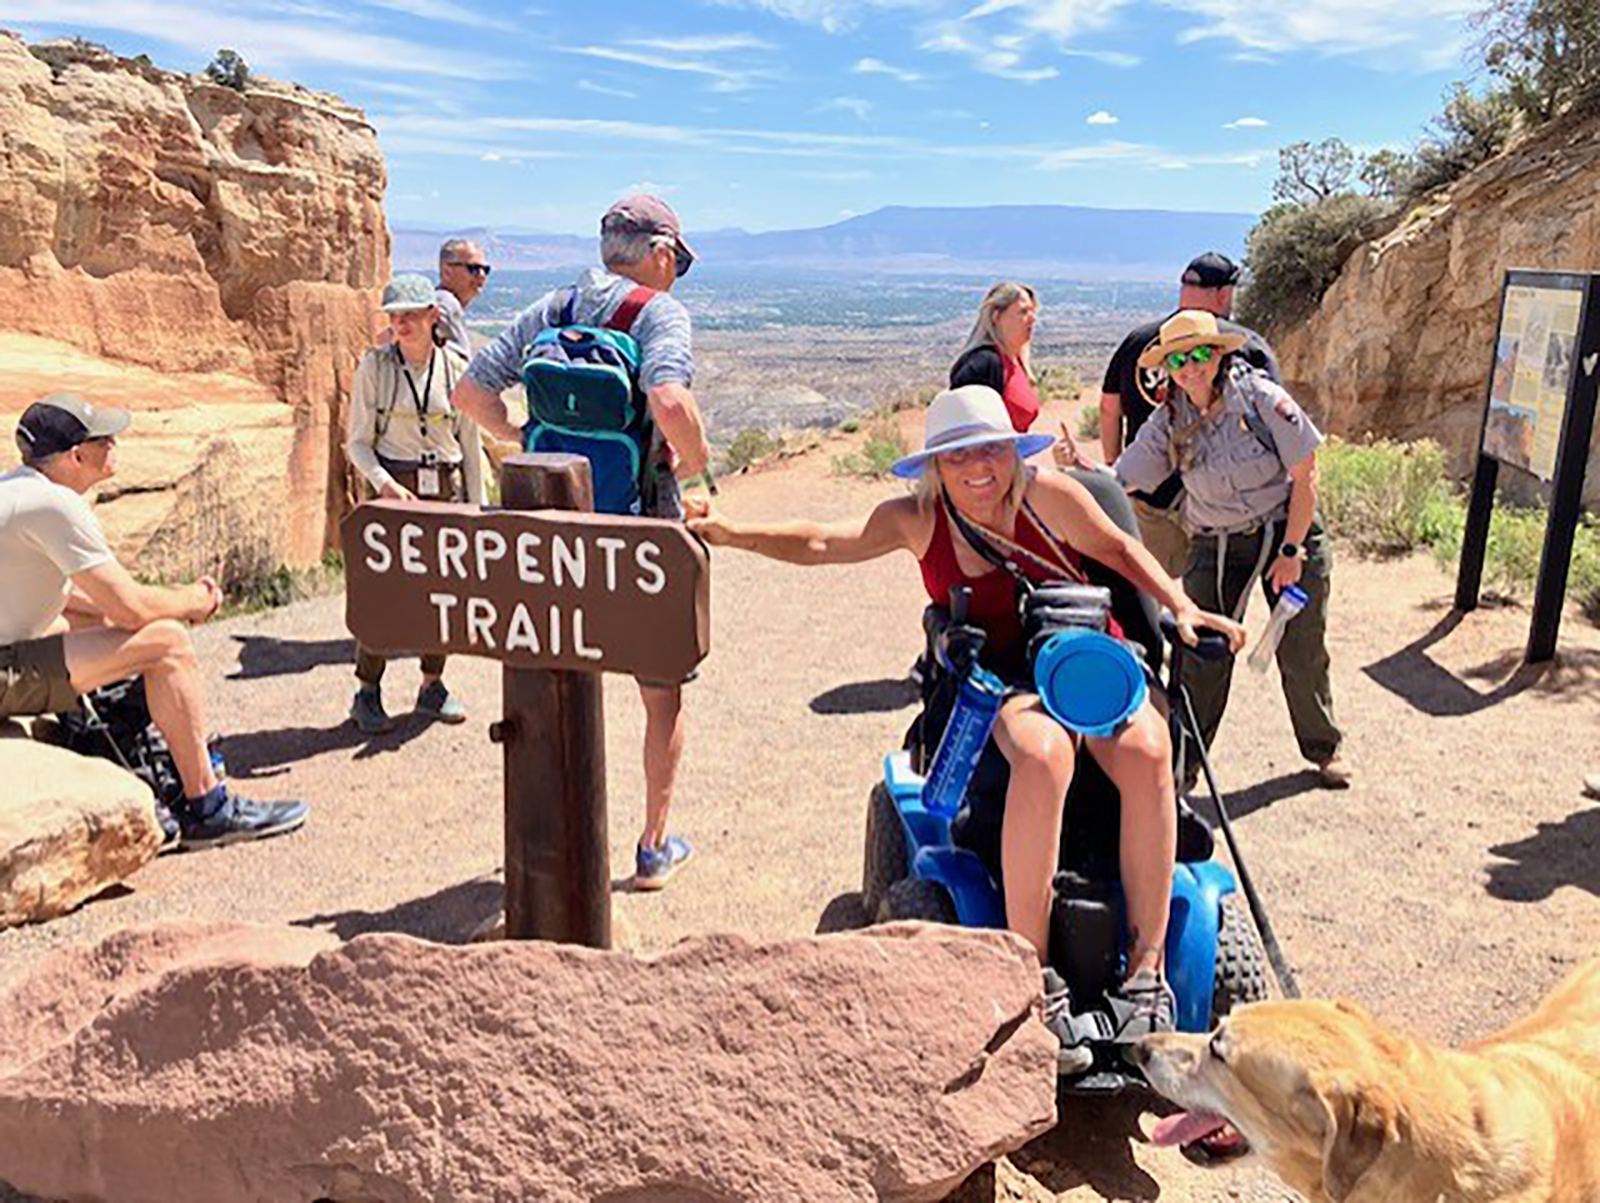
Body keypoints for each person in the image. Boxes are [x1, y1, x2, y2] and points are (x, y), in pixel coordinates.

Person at [687, 384, 1245, 1045]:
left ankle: (1147, 972)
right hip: (1001, 678)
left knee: (1150, 750)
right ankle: (1032, 969)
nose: (977, 469)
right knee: (1041, 752)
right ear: (935, 467)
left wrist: (1180, 605)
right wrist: (729, 532)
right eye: (957, 458)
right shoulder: (921, 519)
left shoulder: (1048, 495)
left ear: (1013, 452)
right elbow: (821, 542)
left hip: (1088, 663)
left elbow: (1120, 551)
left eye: (990, 451)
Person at [452, 194, 711, 890]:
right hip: (640, 530)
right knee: (661, 695)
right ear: (659, 253)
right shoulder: (660, 313)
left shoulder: (551, 310)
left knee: (558, 677)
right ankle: (653, 845)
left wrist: (520, 441)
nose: (677, 273)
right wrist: (694, 459)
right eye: (678, 260)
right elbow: (668, 401)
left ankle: (553, 854)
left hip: (557, 528)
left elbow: (470, 394)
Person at [0, 394, 309, 849]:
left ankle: (120, 742)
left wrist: (125, 618)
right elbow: (131, 608)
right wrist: (193, 600)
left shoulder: (16, 489)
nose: (115, 446)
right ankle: (209, 806)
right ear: (77, 456)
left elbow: (86, 604)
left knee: (92, 623)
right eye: (104, 438)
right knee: (167, 643)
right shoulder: (55, 505)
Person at [1114, 310, 1349, 789]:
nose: (1191, 367)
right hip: (1215, 541)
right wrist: (1076, 469)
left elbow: (1307, 476)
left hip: (1287, 533)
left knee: (1301, 646)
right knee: (1200, 653)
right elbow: (1123, 476)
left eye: (1200, 353)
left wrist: (1292, 550)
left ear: (1218, 353)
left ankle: (1324, 749)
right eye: (1179, 359)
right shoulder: (1169, 421)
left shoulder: (1263, 399)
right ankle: (1183, 765)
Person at [346, 274, 485, 734]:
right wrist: (384, 485)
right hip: (394, 491)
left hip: (445, 489)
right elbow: (358, 444)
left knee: (442, 592)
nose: (400, 324)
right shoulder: (376, 368)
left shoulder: (458, 368)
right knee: (382, 594)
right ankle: (367, 692)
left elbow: (470, 443)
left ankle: (432, 685)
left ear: (433, 316)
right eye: (394, 316)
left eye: (410, 315)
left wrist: (477, 511)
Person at [1096, 252, 1280, 578]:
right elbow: (1274, 426)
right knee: (1213, 605)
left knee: (1152, 596)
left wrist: (1116, 472)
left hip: (1150, 498)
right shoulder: (1245, 345)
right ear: (1225, 294)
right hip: (1226, 501)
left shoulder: (1139, 341)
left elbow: (1110, 408)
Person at [949, 281, 1042, 432]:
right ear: (996, 316)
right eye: (1023, 312)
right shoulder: (982, 365)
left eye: (1033, 311)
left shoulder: (1016, 362)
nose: (1032, 318)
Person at [435, 238, 490, 359]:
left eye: (485, 270)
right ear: (447, 271)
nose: (481, 275)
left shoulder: (452, 305)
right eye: (473, 268)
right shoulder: (445, 302)